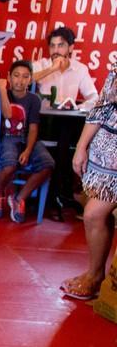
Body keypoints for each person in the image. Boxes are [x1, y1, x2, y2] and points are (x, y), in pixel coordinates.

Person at [62, 64, 117, 299]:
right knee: (93, 214)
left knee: (96, 214)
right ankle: (95, 276)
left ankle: (103, 283)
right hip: (108, 151)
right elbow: (102, 106)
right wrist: (81, 146)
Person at [0, 60, 55, 223]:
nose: (20, 80)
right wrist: (3, 90)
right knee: (9, 166)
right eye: (16, 76)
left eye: (25, 77)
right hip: (8, 139)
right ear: (9, 77)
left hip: (27, 139)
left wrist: (28, 150)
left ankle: (19, 198)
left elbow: (33, 129)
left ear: (30, 80)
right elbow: (8, 114)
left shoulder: (34, 99)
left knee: (48, 164)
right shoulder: (3, 94)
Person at [32, 26, 99, 111]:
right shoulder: (41, 65)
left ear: (71, 48)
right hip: (43, 116)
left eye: (60, 45)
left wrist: (79, 108)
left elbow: (93, 96)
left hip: (69, 116)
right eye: (52, 46)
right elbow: (27, 79)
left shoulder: (80, 69)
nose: (55, 50)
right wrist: (51, 69)